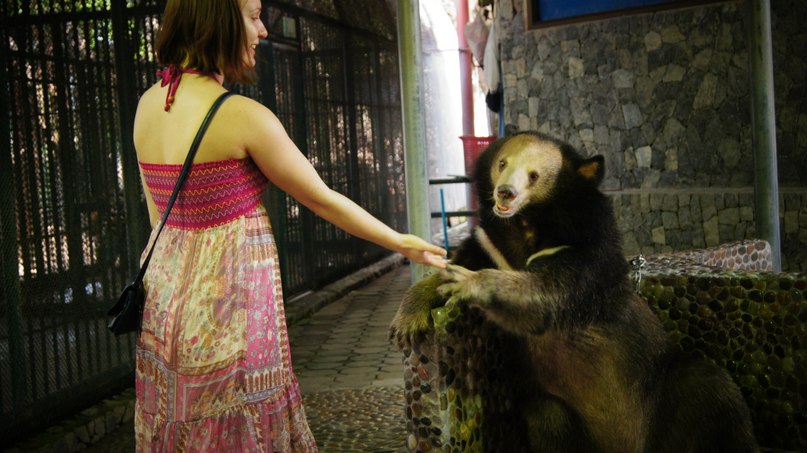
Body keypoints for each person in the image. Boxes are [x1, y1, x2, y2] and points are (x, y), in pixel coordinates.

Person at [131, 0, 447, 450]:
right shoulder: (240, 117)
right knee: (242, 426)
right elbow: (322, 200)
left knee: (177, 423)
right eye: (254, 14)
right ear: (218, 17)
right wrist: (400, 241)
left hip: (165, 316)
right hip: (229, 320)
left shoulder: (147, 106)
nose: (262, 31)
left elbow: (157, 219)